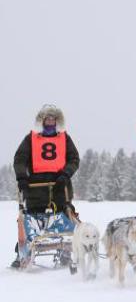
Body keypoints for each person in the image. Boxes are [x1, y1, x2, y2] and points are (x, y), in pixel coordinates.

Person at [12, 104, 80, 268]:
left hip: (59, 186)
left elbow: (74, 159)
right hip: (35, 188)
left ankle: (66, 251)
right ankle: (22, 254)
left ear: (57, 121)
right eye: (47, 119)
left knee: (65, 215)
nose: (50, 122)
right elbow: (19, 159)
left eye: (52, 119)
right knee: (31, 220)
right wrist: (22, 177)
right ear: (42, 121)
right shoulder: (31, 139)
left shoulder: (65, 138)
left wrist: (65, 174)